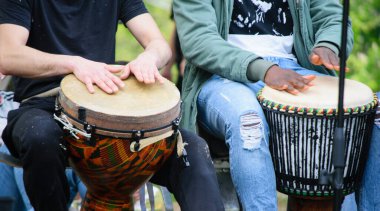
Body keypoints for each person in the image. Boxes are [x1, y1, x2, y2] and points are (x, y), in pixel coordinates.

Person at [0, 1, 223, 210]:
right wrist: (74, 64)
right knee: (39, 137)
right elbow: (8, 55)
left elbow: (160, 46)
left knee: (190, 149)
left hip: (108, 109)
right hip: (43, 105)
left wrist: (149, 58)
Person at [172, 0, 380, 210]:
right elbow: (199, 40)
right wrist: (265, 69)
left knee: (377, 113)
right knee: (248, 120)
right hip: (222, 76)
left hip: (293, 70)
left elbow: (332, 17)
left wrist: (330, 43)